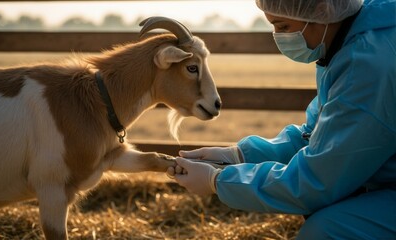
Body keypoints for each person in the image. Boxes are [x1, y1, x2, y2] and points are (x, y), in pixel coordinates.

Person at [167, 0, 396, 239]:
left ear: (320, 10)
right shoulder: (354, 36)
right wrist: (240, 155)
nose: (278, 37)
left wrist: (217, 181)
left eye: (283, 26)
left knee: (325, 231)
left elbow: (316, 181)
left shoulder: (367, 67)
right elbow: (318, 134)